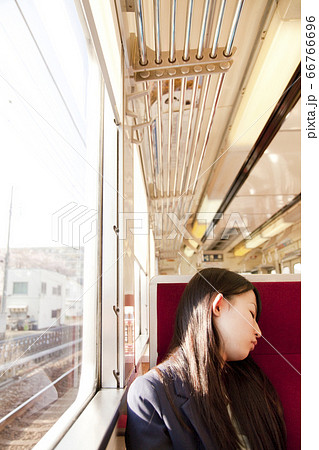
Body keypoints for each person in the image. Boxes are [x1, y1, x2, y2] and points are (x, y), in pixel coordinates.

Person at [125, 268, 286, 449]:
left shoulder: (253, 384)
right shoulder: (152, 393)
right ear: (218, 306)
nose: (258, 331)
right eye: (251, 314)